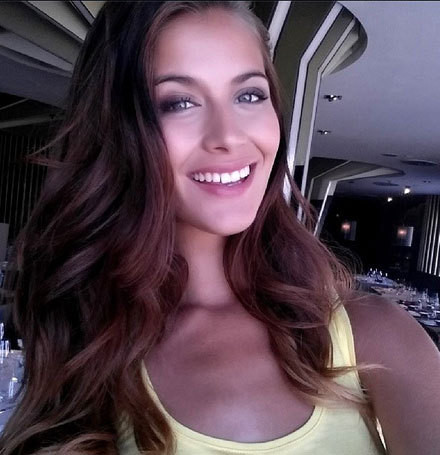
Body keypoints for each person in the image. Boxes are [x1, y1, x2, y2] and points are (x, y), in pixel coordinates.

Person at [1, 2, 440, 454]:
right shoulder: (86, 332)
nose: (228, 136)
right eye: (179, 103)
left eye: (249, 95)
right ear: (116, 130)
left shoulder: (378, 335)